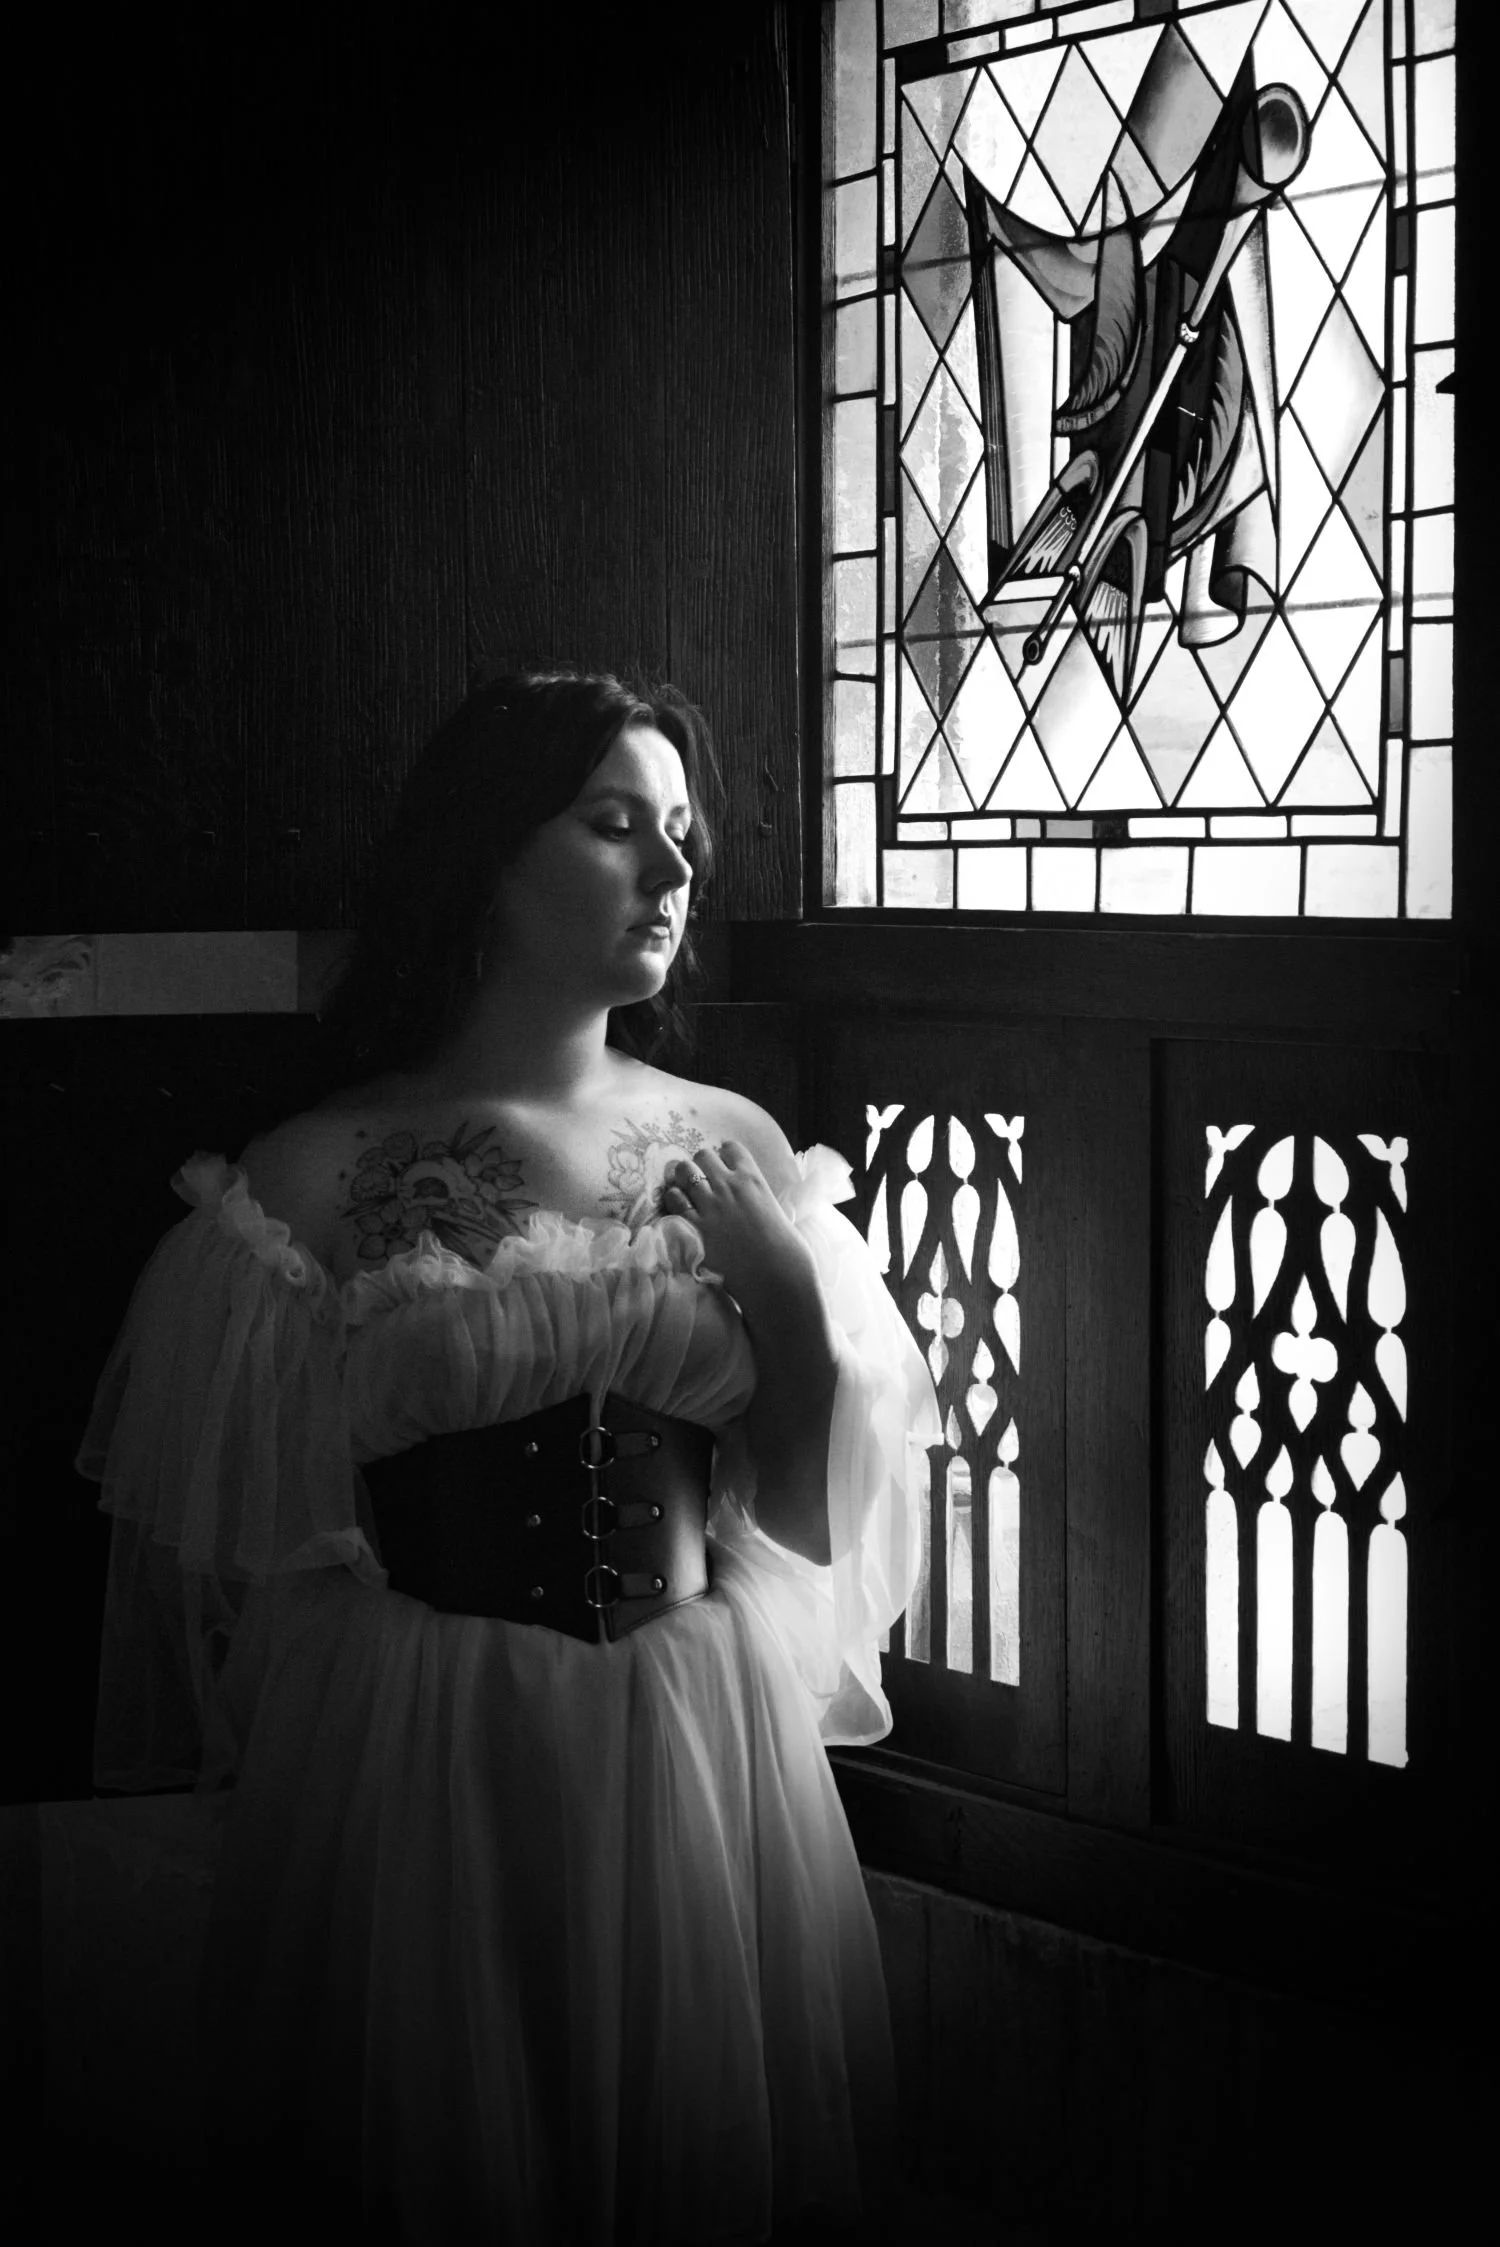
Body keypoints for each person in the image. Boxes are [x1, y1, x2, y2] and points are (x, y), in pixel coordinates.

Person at [77, 670, 941, 2247]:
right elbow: (233, 1571)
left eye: (684, 833)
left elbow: (808, 1523)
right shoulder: (314, 1177)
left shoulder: (736, 1146)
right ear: (483, 857)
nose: (674, 874)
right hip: (419, 1733)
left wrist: (789, 1315)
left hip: (698, 1724)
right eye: (617, 828)